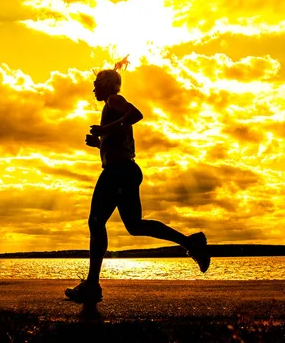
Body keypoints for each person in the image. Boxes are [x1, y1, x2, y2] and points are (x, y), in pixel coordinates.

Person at [65, 57, 210, 304]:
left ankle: (92, 285)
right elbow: (120, 141)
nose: (93, 89)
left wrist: (105, 130)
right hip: (126, 170)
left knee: (96, 222)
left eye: (96, 83)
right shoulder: (111, 106)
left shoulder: (114, 100)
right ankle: (191, 242)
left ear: (108, 86)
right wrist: (99, 143)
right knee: (135, 226)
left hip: (118, 172)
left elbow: (136, 114)